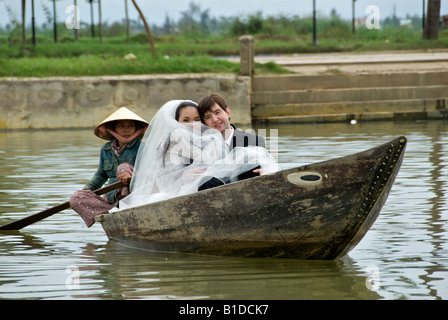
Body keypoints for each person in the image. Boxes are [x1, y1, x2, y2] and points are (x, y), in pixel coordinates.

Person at [117, 100, 278, 211]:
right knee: (206, 182)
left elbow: (221, 167)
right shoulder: (171, 141)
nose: (192, 125)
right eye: (185, 120)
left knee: (250, 166)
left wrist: (263, 172)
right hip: (177, 193)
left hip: (214, 188)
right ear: (176, 122)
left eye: (196, 119)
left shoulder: (209, 140)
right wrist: (185, 177)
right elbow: (155, 182)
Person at [70, 107, 148, 227]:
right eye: (121, 126)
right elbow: (101, 175)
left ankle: (126, 208)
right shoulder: (106, 149)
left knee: (123, 167)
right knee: (76, 198)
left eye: (131, 126)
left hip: (135, 196)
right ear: (113, 129)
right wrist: (87, 190)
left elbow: (149, 173)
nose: (126, 130)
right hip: (112, 199)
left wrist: (130, 177)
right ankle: (111, 213)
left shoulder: (142, 148)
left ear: (136, 129)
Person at [197, 93, 268, 189]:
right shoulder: (201, 147)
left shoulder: (254, 140)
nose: (214, 119)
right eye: (208, 117)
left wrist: (266, 172)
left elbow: (266, 168)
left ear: (227, 112)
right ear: (204, 123)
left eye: (217, 112)